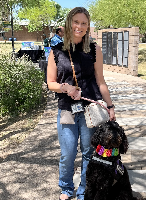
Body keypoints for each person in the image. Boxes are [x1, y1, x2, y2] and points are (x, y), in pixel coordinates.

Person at [47, 7, 115, 200]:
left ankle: (84, 191)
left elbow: (100, 81)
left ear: (88, 26)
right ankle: (66, 188)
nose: (79, 26)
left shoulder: (94, 50)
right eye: (76, 22)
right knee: (68, 154)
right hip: (67, 109)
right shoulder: (57, 52)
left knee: (88, 152)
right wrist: (65, 88)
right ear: (69, 23)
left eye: (84, 23)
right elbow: (50, 82)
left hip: (90, 110)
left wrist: (110, 106)